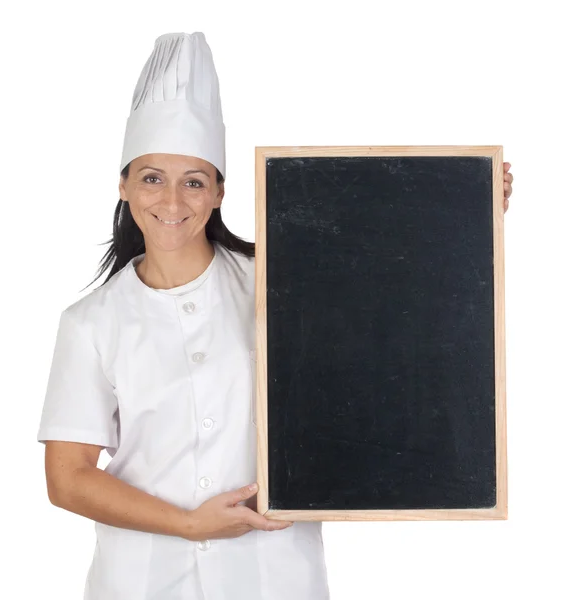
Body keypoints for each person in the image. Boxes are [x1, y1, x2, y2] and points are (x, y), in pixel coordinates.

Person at [37, 31, 514, 600]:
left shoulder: (284, 282)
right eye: (151, 179)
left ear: (218, 193)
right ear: (123, 186)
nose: (171, 202)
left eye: (193, 182)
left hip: (273, 573)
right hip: (142, 578)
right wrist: (190, 524)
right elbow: (68, 480)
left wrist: (464, 200)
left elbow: (392, 296)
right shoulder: (90, 321)